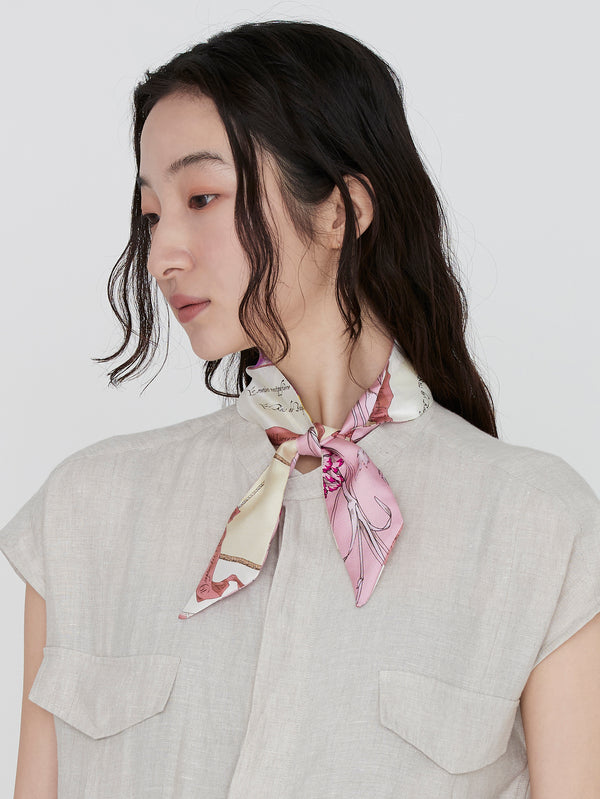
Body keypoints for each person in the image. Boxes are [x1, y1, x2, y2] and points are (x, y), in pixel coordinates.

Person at [1, 19, 599, 799]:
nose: (162, 253)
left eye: (202, 198)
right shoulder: (84, 516)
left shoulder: (537, 529)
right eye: (151, 214)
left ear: (340, 211)